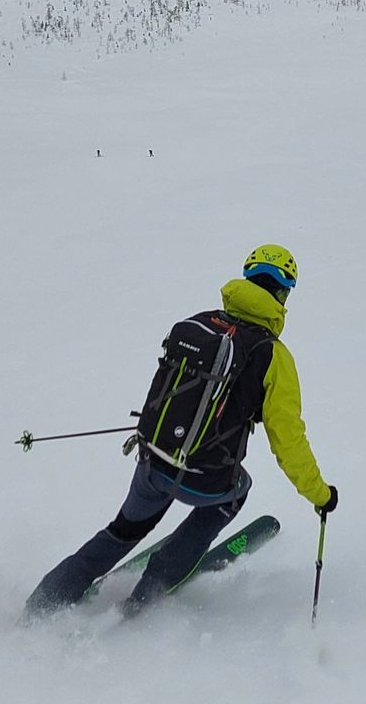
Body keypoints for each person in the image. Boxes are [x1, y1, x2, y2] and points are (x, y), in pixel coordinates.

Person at [24, 243, 337, 616]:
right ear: (283, 293)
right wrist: (319, 495)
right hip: (206, 480)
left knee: (122, 530)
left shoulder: (198, 323)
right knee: (238, 490)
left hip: (153, 462)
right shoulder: (273, 356)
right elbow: (288, 440)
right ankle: (150, 591)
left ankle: (41, 602)